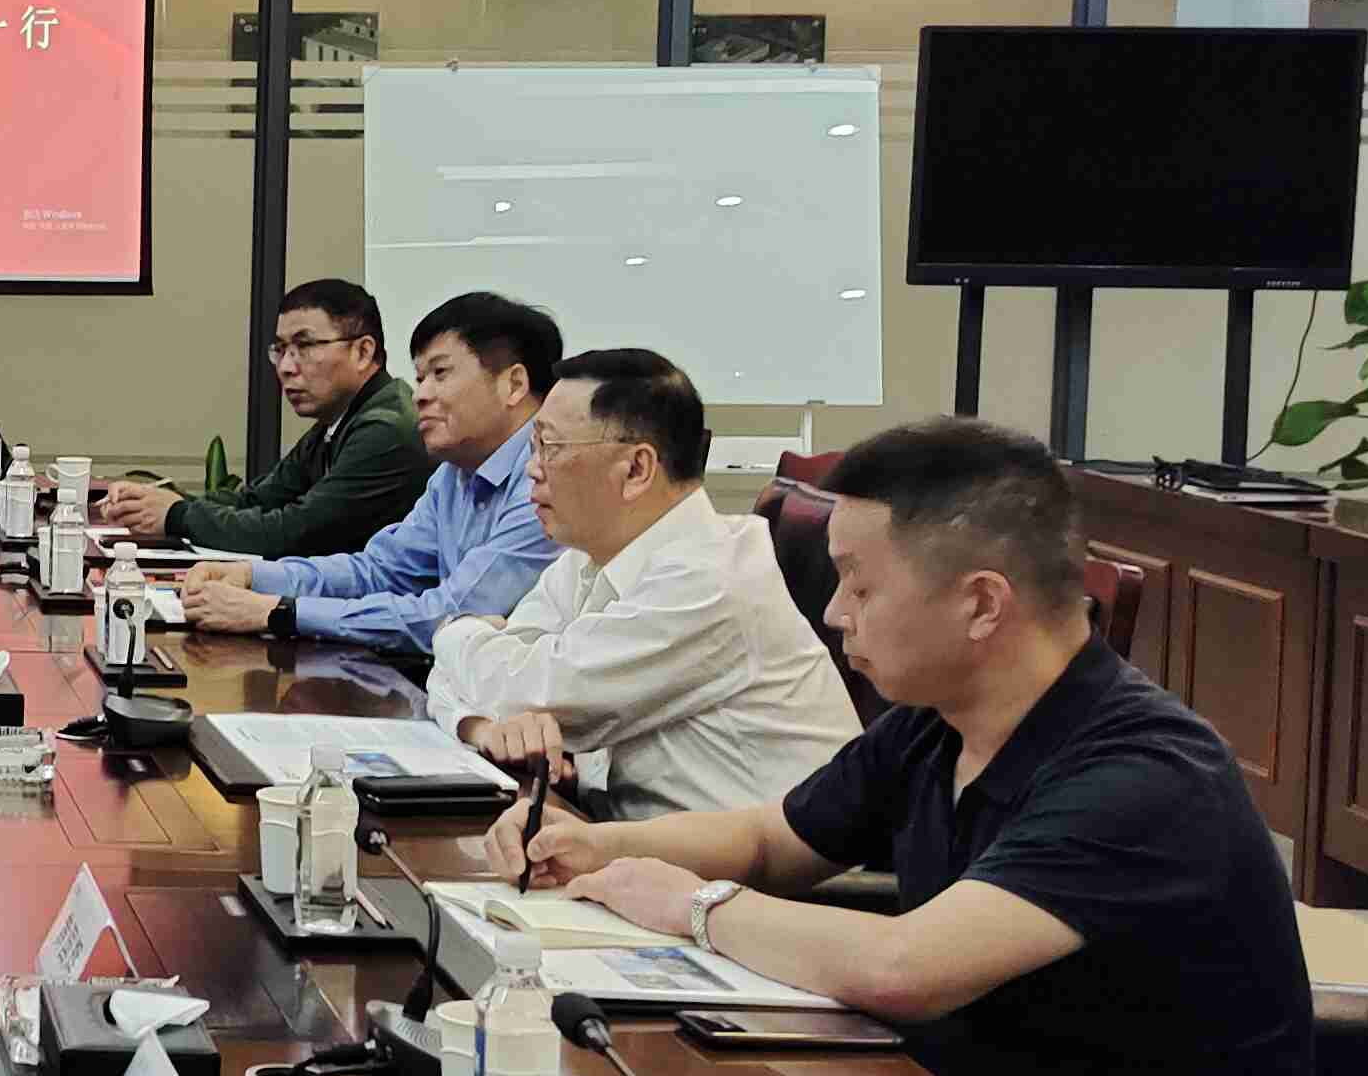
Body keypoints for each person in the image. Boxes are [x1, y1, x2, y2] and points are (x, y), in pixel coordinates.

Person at [494, 417, 1312, 1076]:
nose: (833, 612)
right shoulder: (938, 721)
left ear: (982, 603)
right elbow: (772, 838)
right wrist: (604, 847)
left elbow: (906, 967)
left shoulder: (1146, 776)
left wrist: (694, 905)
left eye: (859, 585)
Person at [428, 348, 858, 817]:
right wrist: (480, 726)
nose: (533, 468)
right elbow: (484, 683)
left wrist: (453, 630)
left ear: (636, 469)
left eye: (550, 446)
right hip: (632, 841)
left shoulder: (708, 579)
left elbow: (524, 687)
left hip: (759, 861)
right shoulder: (588, 556)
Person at [176, 291, 561, 657]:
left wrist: (279, 612)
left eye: (440, 373)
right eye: (420, 378)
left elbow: (452, 616)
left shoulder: (550, 478)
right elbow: (379, 571)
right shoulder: (454, 474)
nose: (420, 394)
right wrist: (252, 576)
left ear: (514, 385)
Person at [98, 276, 431, 556]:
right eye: (281, 349)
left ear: (363, 351)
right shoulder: (338, 420)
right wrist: (153, 504)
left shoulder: (386, 429)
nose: (286, 367)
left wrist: (176, 515)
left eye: (305, 346)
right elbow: (258, 500)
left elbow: (292, 533)